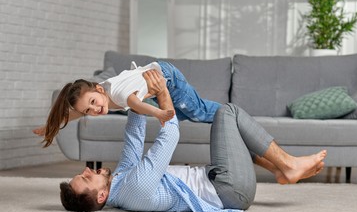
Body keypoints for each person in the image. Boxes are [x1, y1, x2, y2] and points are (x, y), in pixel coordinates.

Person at [59, 70, 326, 212]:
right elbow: (170, 135)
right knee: (227, 113)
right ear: (101, 196)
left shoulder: (121, 182)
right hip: (229, 190)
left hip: (224, 182)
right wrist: (162, 92)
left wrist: (137, 93)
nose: (85, 171)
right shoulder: (135, 188)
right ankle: (288, 164)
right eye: (85, 179)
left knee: (231, 133)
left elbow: (134, 135)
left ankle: (279, 170)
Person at [33, 60, 221, 147]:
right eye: (88, 110)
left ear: (99, 89)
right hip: (156, 87)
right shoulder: (101, 95)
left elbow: (135, 104)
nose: (94, 110)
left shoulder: (117, 92)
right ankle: (225, 118)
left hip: (168, 79)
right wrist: (50, 126)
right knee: (184, 116)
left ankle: (228, 113)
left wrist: (158, 114)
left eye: (93, 102)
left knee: (198, 112)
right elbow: (74, 113)